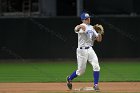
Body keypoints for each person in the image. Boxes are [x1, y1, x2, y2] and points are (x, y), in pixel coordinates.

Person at [66, 12, 103, 91]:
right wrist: (80, 26)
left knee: (96, 65)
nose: (88, 19)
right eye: (86, 18)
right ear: (83, 20)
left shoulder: (92, 28)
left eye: (89, 18)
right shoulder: (81, 26)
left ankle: (96, 85)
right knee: (81, 71)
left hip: (90, 49)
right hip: (81, 51)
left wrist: (99, 34)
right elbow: (76, 29)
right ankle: (69, 78)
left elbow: (99, 40)